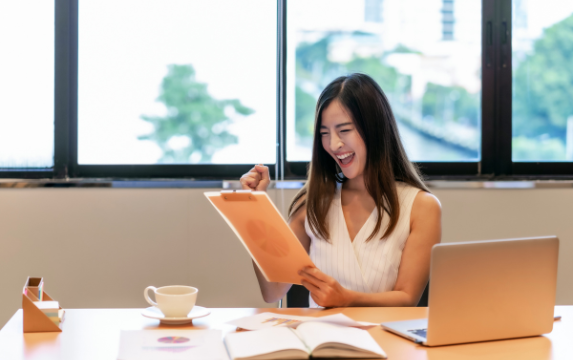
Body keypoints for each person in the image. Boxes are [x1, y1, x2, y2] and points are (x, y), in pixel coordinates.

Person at [240, 73, 441, 308]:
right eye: (324, 133)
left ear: (375, 129)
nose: (333, 144)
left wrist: (347, 299)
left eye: (344, 130)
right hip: (320, 339)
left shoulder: (422, 207)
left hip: (385, 341)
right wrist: (254, 207)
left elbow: (407, 298)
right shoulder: (312, 204)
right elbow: (272, 290)